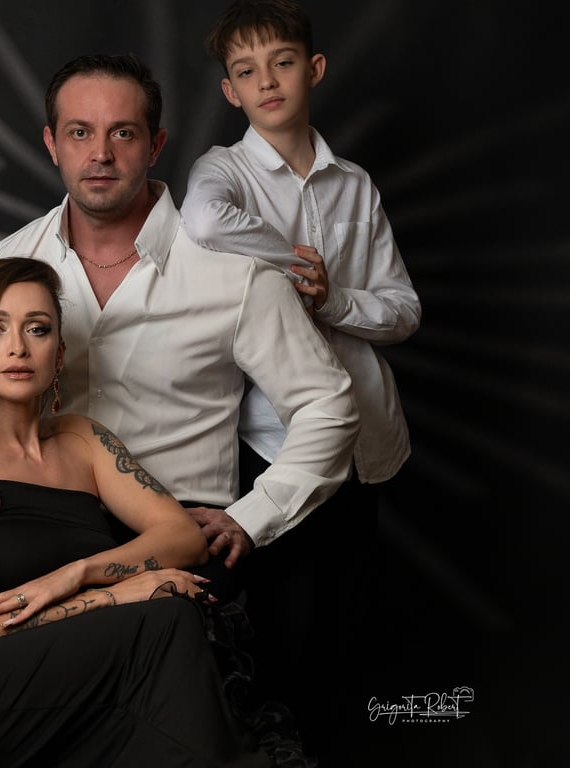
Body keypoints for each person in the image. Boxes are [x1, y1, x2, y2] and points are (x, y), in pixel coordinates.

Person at [0, 52, 359, 584]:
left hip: (178, 534)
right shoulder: (10, 262)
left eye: (122, 133)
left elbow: (327, 405)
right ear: (52, 144)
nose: (100, 153)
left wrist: (253, 515)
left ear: (155, 146)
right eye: (79, 133)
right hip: (34, 527)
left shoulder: (235, 274)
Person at [0, 256, 272, 767]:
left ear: (58, 355)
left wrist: (76, 574)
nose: (18, 347)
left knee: (164, 643)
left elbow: (183, 538)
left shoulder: (83, 440)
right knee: (162, 621)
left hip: (55, 679)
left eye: (37, 329)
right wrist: (117, 594)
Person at [180, 0, 422, 759]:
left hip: (367, 439)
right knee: (281, 622)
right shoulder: (222, 171)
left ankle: (337, 746)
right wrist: (292, 262)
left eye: (281, 63)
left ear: (313, 70)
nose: (267, 82)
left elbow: (403, 310)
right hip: (272, 439)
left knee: (345, 624)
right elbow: (204, 225)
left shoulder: (355, 185)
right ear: (230, 91)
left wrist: (332, 298)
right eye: (246, 71)